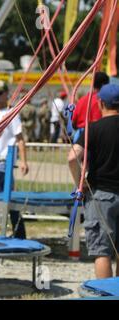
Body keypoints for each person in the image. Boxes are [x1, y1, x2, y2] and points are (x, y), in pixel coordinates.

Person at [68, 83, 119, 279]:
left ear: (100, 104)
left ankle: (107, 295)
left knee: (102, 251)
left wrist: (80, 183)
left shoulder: (93, 129)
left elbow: (72, 157)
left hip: (101, 196)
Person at [0, 80, 29, 239]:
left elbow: (20, 139)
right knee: (3, 197)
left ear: (6, 94)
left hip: (5, 162)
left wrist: (24, 161)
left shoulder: (12, 114)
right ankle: (20, 233)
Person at [72, 71, 109, 141]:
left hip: (81, 136)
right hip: (97, 136)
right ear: (104, 84)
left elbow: (74, 123)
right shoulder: (103, 101)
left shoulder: (81, 101)